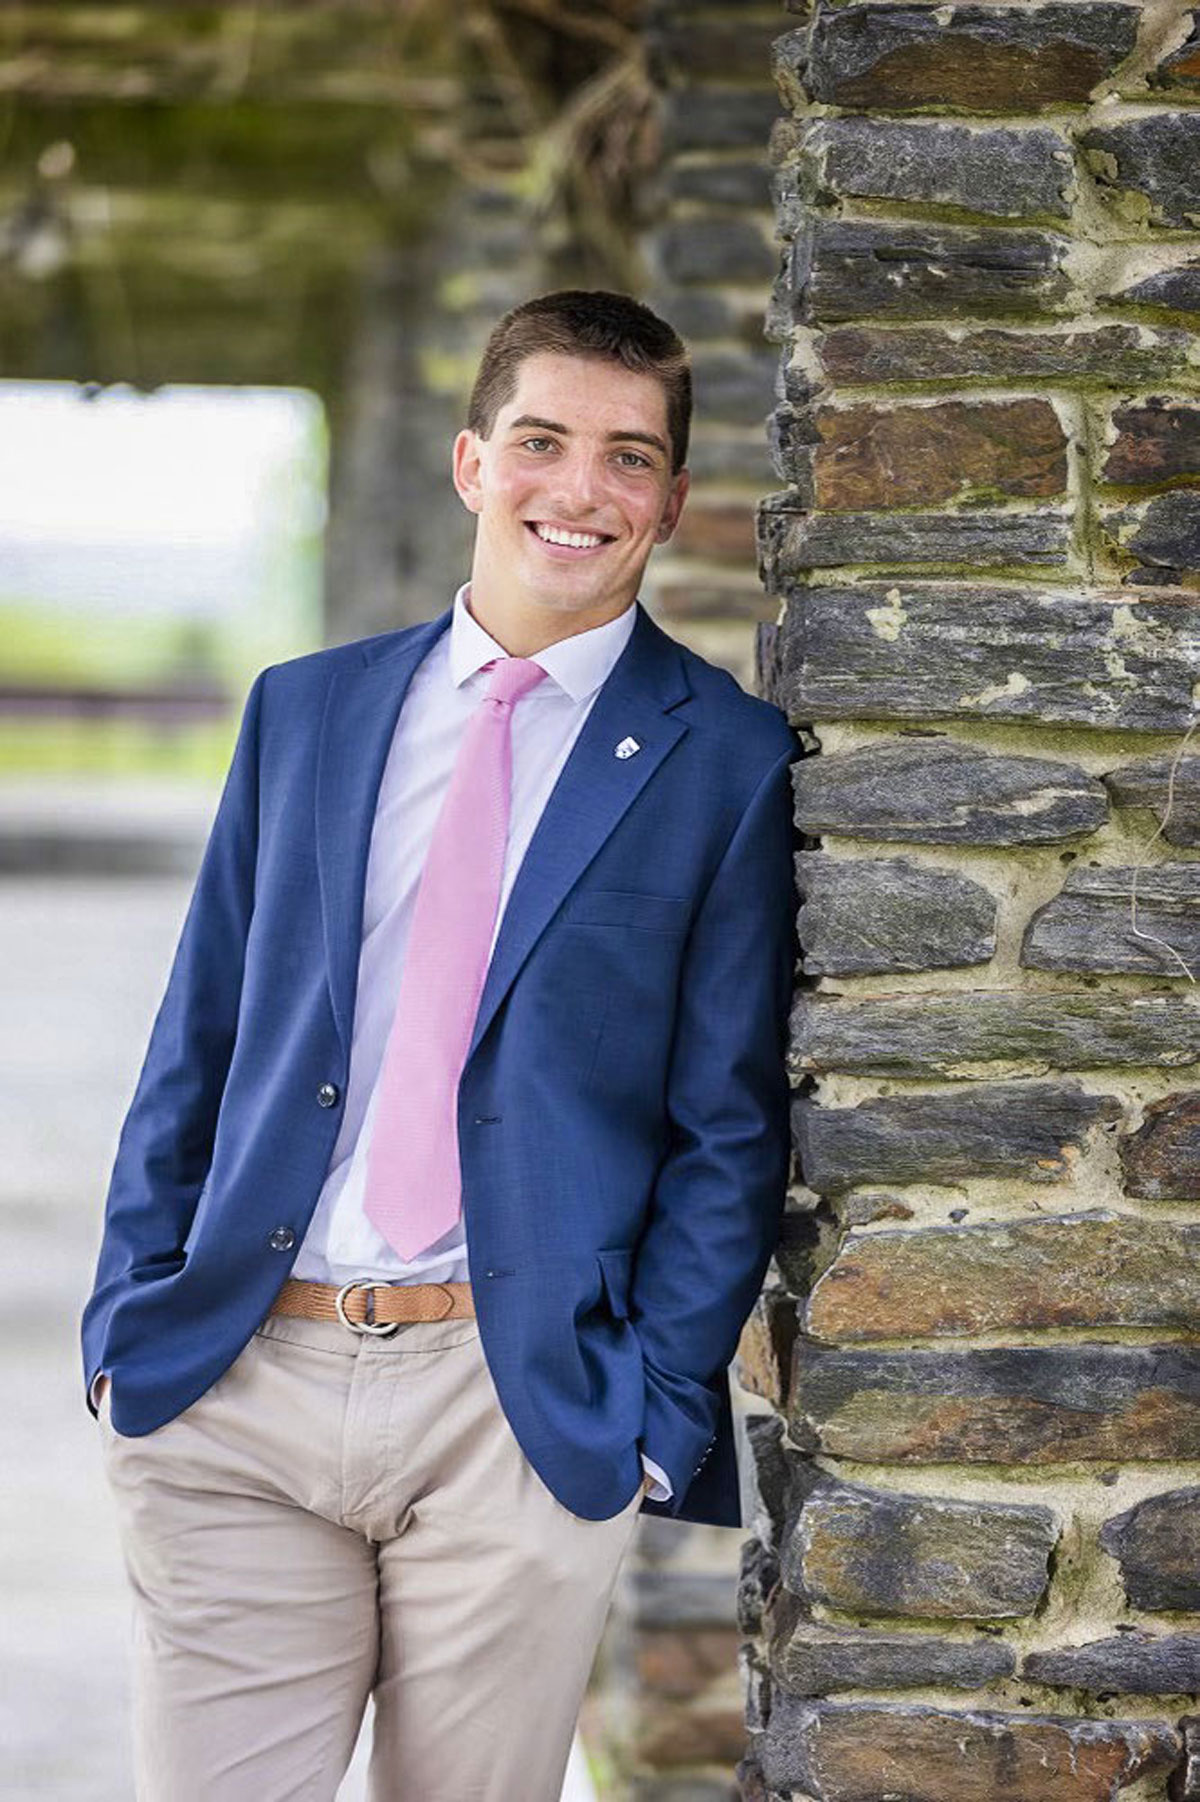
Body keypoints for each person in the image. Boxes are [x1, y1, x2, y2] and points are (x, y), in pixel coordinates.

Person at [82, 288, 797, 1801]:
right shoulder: (309, 714)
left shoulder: (725, 761)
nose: (579, 489)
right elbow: (199, 1035)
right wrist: (127, 1323)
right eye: (542, 441)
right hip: (240, 1376)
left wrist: (650, 1420)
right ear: (474, 462)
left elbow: (726, 1126)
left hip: (515, 1402)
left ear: (670, 499)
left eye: (627, 455)